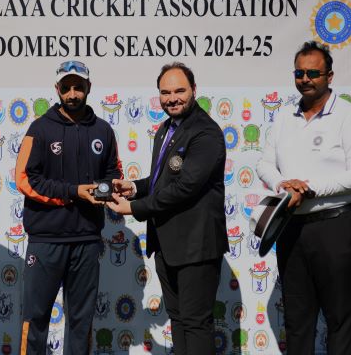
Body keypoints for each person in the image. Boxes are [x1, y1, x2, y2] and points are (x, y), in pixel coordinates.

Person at [256, 41, 351, 354]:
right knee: (297, 320)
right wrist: (284, 184)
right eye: (300, 72)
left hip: (337, 225)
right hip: (291, 227)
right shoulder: (284, 117)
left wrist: (308, 188)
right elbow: (264, 164)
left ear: (330, 76)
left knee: (339, 318)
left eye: (313, 72)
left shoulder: (348, 116)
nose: (306, 78)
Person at [107, 62, 228, 355]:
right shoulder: (167, 129)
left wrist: (134, 207)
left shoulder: (205, 133)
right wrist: (134, 187)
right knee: (179, 320)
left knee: (196, 323)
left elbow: (185, 188)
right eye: (165, 92)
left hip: (197, 247)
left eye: (179, 91)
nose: (172, 98)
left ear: (194, 90)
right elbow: (164, 180)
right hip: (169, 246)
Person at [15, 60, 122, 354]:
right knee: (34, 320)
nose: (72, 94)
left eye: (78, 87)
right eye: (66, 88)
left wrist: (106, 189)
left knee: (81, 322)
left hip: (86, 241)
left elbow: (114, 173)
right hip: (46, 241)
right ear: (57, 89)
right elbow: (24, 179)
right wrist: (73, 192)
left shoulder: (103, 130)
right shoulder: (39, 129)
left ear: (89, 88)